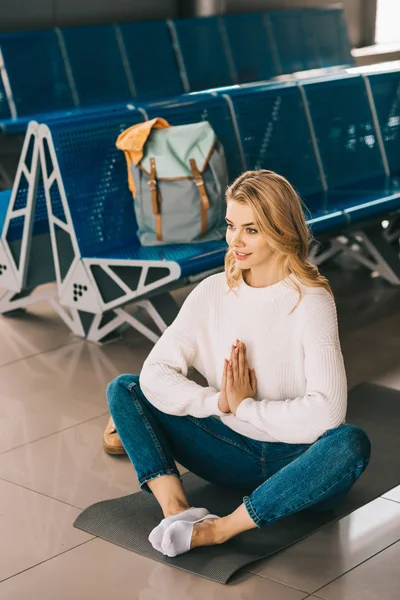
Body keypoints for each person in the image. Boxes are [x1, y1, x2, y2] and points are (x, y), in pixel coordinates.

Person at [106, 170, 371, 558]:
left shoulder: (311, 300)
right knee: (125, 389)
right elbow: (155, 373)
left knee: (349, 442)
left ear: (281, 230)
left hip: (296, 464)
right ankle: (177, 511)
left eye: (251, 229)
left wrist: (247, 406)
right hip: (226, 449)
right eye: (231, 226)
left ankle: (222, 528)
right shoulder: (212, 292)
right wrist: (219, 404)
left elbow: (328, 413)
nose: (235, 241)